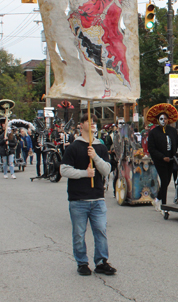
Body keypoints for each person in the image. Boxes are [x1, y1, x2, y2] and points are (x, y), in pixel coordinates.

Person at [60, 113, 116, 276]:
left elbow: (106, 170)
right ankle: (82, 262)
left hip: (98, 198)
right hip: (78, 199)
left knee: (100, 230)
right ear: (81, 125)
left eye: (94, 122)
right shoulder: (74, 147)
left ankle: (101, 261)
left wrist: (95, 157)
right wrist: (85, 173)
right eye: (88, 122)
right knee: (79, 233)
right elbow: (64, 170)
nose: (92, 124)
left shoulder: (100, 147)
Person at [147, 103, 178, 212]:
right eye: (161, 118)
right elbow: (151, 149)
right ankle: (164, 206)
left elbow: (177, 144)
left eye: (165, 118)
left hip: (171, 160)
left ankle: (157, 198)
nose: (163, 120)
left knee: (168, 180)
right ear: (157, 120)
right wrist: (161, 157)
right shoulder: (153, 133)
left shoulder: (172, 131)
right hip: (160, 161)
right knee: (164, 180)